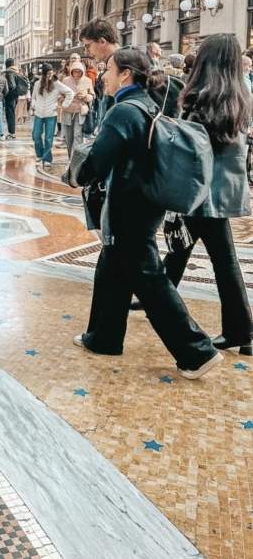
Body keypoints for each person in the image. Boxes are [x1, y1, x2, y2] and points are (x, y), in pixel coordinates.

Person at [71, 47, 222, 378]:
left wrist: (77, 172)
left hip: (129, 205)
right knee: (112, 265)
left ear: (125, 74)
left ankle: (197, 351)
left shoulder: (124, 111)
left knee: (148, 277)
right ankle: (103, 337)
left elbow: (98, 160)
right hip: (145, 200)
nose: (104, 75)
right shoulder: (149, 102)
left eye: (108, 69)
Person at [161, 35, 252, 357]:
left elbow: (188, 146)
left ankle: (241, 330)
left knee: (212, 256)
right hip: (224, 187)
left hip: (200, 189)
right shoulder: (239, 94)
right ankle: (241, 331)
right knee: (185, 248)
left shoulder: (202, 98)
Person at [31, 63, 74, 171]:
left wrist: (63, 105)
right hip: (38, 114)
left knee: (48, 138)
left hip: (51, 114)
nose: (50, 76)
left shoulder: (57, 84)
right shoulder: (37, 84)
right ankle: (39, 155)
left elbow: (70, 93)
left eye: (51, 73)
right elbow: (34, 97)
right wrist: (34, 106)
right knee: (36, 135)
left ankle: (47, 159)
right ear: (43, 74)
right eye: (47, 74)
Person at [61, 59, 94, 158]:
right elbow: (60, 96)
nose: (77, 73)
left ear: (82, 71)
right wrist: (68, 98)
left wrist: (85, 96)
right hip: (68, 111)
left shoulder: (88, 80)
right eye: (75, 71)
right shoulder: (65, 80)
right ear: (71, 71)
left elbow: (92, 95)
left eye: (79, 71)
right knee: (69, 137)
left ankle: (75, 158)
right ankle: (70, 156)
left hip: (80, 111)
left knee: (77, 135)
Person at [4, 58, 29, 136]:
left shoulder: (9, 73)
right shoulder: (16, 71)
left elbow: (12, 85)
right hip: (16, 95)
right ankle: (12, 132)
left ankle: (11, 133)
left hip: (10, 96)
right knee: (12, 113)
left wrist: (6, 92)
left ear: (6, 64)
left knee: (10, 114)